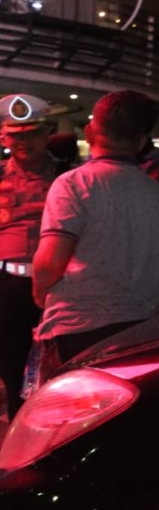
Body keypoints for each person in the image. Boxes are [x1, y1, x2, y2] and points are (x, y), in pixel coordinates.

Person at [32, 90, 159, 376]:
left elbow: (50, 262)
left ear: (89, 132)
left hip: (77, 331)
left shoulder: (72, 185)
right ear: (141, 142)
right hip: (140, 333)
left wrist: (40, 291)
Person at [0, 94, 67, 415]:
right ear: (4, 136)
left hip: (58, 286)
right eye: (15, 134)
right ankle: (16, 438)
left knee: (58, 369)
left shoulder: (68, 178)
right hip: (7, 287)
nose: (23, 141)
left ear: (46, 134)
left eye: (31, 133)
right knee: (11, 367)